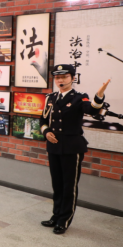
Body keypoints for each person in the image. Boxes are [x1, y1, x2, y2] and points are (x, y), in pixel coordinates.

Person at [40, 64, 110, 235]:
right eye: (57, 77)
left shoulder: (80, 97)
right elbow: (42, 120)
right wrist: (46, 132)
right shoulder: (50, 97)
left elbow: (92, 110)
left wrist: (99, 95)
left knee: (69, 186)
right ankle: (56, 215)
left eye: (64, 77)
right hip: (54, 147)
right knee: (57, 184)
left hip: (72, 147)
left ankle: (64, 220)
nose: (60, 80)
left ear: (72, 78)